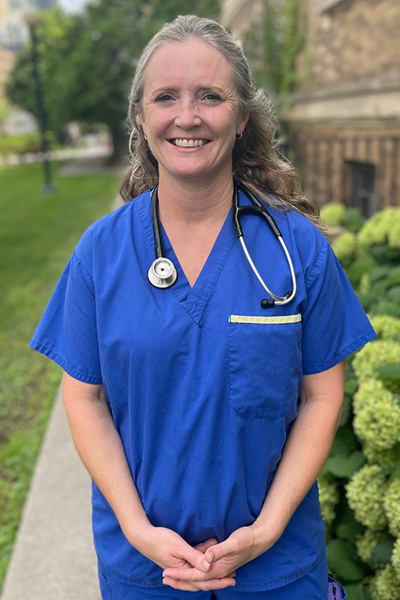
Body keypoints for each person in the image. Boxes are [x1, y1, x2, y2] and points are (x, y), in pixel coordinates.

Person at [30, 14, 375, 600]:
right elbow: (84, 396)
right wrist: (138, 532)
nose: (186, 116)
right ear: (142, 116)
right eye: (166, 97)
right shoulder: (101, 254)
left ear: (241, 118)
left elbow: (322, 394)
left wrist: (266, 533)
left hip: (275, 567)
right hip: (145, 568)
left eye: (210, 96)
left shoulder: (297, 251)